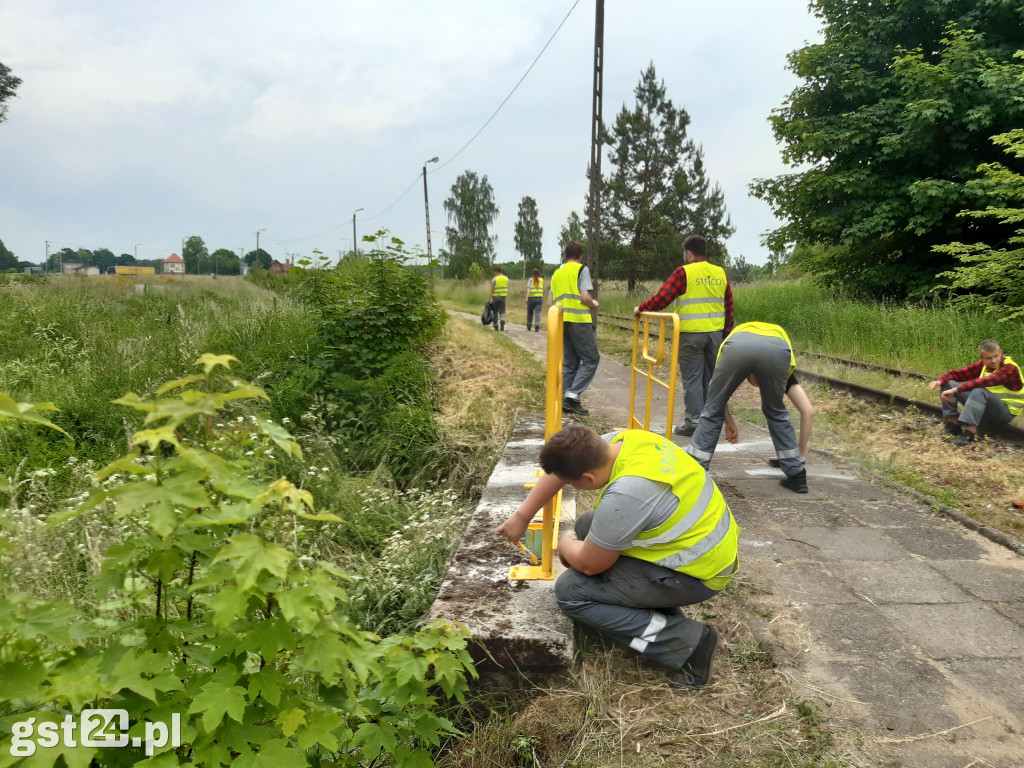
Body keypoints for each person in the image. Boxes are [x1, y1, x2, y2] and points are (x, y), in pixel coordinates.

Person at [497, 424, 738, 688]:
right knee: (589, 524)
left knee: (571, 592)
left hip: (697, 574)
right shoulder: (626, 440)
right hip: (702, 549)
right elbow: (559, 472)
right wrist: (522, 517)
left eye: (572, 483)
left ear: (587, 479)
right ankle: (659, 612)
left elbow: (590, 565)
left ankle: (687, 644)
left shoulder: (627, 494)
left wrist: (564, 546)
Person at [686, 322, 807, 493]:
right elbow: (782, 398)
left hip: (739, 346)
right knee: (776, 410)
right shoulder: (784, 344)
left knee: (712, 408)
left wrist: (728, 421)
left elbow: (715, 400)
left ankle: (696, 470)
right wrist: (729, 422)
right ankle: (797, 476)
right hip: (778, 349)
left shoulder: (733, 338)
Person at [634, 235, 733, 437]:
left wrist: (640, 309)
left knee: (693, 379)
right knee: (712, 379)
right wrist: (725, 333)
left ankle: (694, 422)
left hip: (690, 335)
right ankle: (710, 420)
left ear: (688, 253)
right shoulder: (720, 273)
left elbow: (662, 298)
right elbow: (728, 306)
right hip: (714, 334)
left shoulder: (683, 273)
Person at [928, 339, 1023, 447]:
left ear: (1001, 352)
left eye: (996, 356)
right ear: (982, 358)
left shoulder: (1010, 368)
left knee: (979, 390)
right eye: (989, 358)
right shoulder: (983, 365)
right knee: (948, 383)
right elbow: (958, 374)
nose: (994, 361)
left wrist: (956, 390)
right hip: (986, 405)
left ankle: (970, 432)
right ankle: (953, 424)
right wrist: (939, 381)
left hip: (1005, 411)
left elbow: (984, 382)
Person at [548, 241, 599, 415]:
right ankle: (572, 395)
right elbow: (585, 296)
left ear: (564, 256)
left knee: (570, 363)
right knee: (592, 359)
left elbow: (549, 303)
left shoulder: (556, 274)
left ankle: (566, 401)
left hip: (562, 320)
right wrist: (593, 304)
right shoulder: (581, 269)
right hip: (579, 320)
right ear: (580, 257)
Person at [753, 372, 814, 467]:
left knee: (775, 413)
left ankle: (791, 456)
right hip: (783, 369)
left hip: (771, 370)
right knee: (807, 411)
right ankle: (798, 455)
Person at [489, 267, 509, 331]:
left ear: (497, 271)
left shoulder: (494, 279)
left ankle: (495, 324)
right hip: (503, 297)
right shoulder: (506, 278)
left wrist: (489, 299)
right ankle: (502, 320)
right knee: (502, 310)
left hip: (496, 297)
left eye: (494, 272)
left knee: (495, 311)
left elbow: (492, 290)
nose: (494, 274)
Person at [526, 268, 544, 332]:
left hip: (531, 298)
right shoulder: (541, 280)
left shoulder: (530, 280)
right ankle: (537, 326)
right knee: (538, 313)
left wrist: (527, 298)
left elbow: (529, 289)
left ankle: (529, 325)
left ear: (532, 273)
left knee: (530, 313)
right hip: (539, 298)